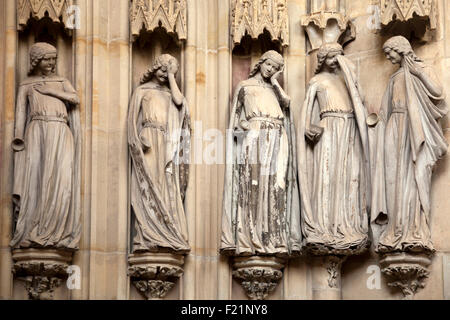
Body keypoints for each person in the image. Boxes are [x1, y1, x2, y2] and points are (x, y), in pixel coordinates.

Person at [371, 36, 448, 254]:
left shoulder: (422, 69)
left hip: (415, 130)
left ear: (401, 50)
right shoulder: (394, 78)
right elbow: (385, 112)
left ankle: (415, 229)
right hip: (394, 131)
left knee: (415, 177)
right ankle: (396, 228)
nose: (387, 57)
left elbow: (439, 94)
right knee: (393, 180)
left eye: (390, 52)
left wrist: (418, 74)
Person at [221, 50, 301, 257]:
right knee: (252, 184)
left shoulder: (275, 90)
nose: (271, 70)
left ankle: (274, 238)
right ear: (261, 62)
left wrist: (275, 82)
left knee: (276, 186)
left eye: (275, 68)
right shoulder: (245, 86)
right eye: (269, 66)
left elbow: (287, 103)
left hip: (277, 135)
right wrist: (243, 125)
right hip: (255, 136)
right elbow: (236, 117)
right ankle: (248, 237)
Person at [298, 43, 371, 256]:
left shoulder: (345, 82)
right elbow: (306, 111)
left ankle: (348, 224)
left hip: (349, 129)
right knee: (327, 176)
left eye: (339, 57)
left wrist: (351, 75)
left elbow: (361, 101)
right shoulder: (317, 81)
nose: (335, 61)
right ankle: (324, 225)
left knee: (349, 177)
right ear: (323, 59)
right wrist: (307, 127)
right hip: (329, 129)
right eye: (331, 57)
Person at [11, 42, 81, 250]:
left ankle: (55, 231)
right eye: (47, 59)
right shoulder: (27, 85)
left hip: (60, 130)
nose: (51, 63)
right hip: (36, 132)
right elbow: (20, 113)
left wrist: (52, 91)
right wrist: (18, 138)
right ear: (36, 61)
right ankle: (31, 229)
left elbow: (75, 99)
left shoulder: (61, 82)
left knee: (60, 180)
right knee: (36, 180)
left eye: (53, 59)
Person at [128, 54, 191, 253]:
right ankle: (147, 233)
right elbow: (131, 120)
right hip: (148, 138)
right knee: (148, 183)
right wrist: (138, 138)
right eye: (163, 70)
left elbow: (180, 102)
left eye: (170, 71)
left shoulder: (171, 93)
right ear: (154, 68)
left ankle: (167, 231)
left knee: (166, 185)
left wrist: (172, 77)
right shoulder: (141, 91)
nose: (165, 75)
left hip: (166, 141)